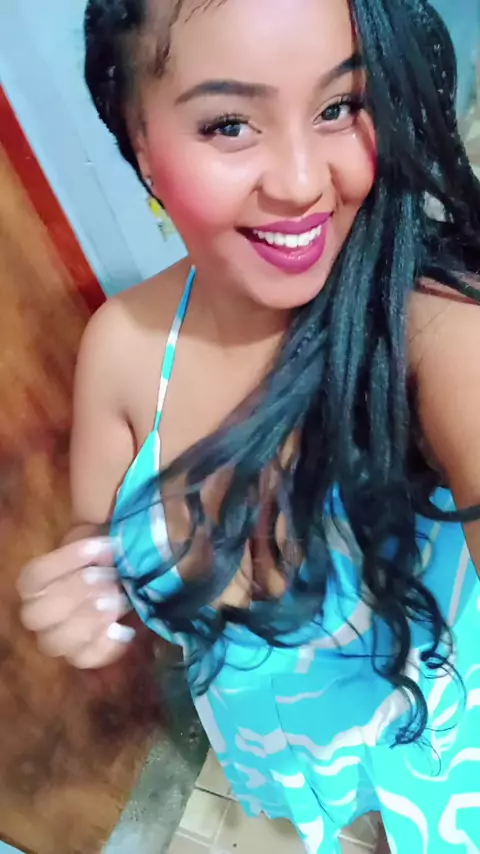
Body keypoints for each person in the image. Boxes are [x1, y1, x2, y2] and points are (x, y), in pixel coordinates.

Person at [18, 1, 480, 851]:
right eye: (230, 124)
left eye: (339, 106)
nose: (302, 182)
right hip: (278, 741)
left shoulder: (430, 335)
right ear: (139, 140)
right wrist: (88, 587)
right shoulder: (123, 348)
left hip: (442, 750)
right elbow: (96, 532)